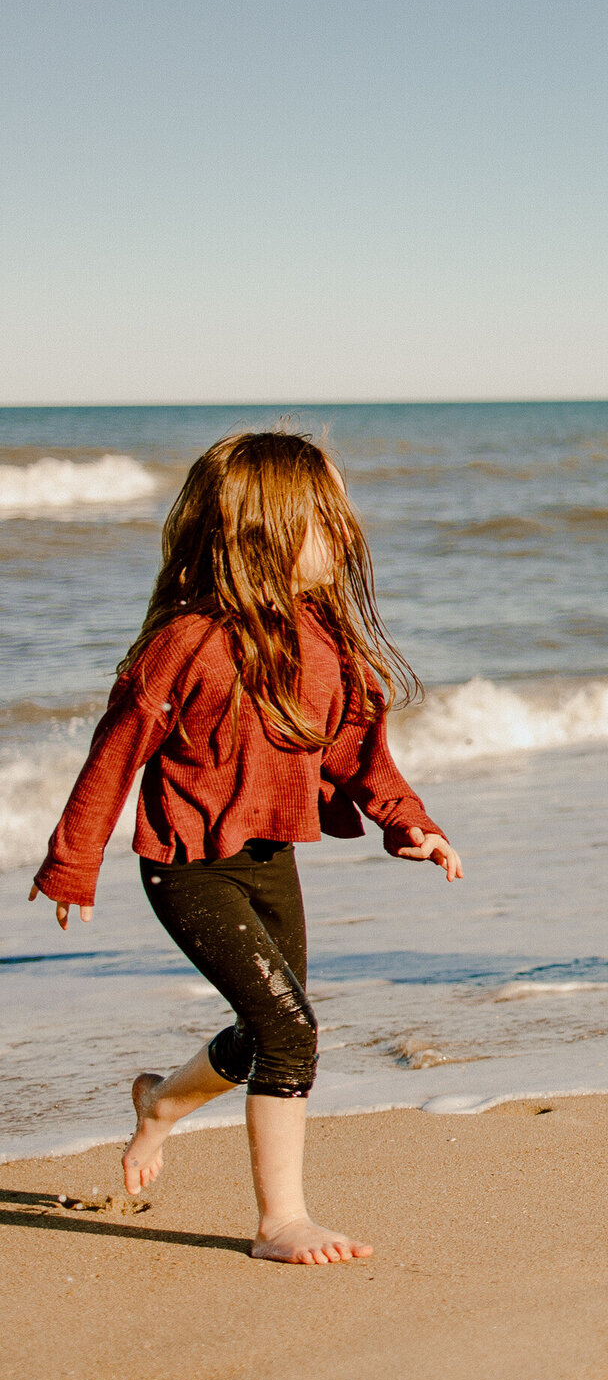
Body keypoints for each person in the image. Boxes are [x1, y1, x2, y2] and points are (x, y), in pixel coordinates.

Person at [28, 429, 463, 1264]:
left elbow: (354, 753)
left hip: (271, 855)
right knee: (291, 1028)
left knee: (269, 1028)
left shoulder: (325, 641)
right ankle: (280, 1221)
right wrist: (73, 863)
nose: (346, 535)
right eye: (324, 519)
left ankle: (159, 1100)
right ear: (263, 529)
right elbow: (115, 753)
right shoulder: (186, 644)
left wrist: (407, 819)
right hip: (186, 864)